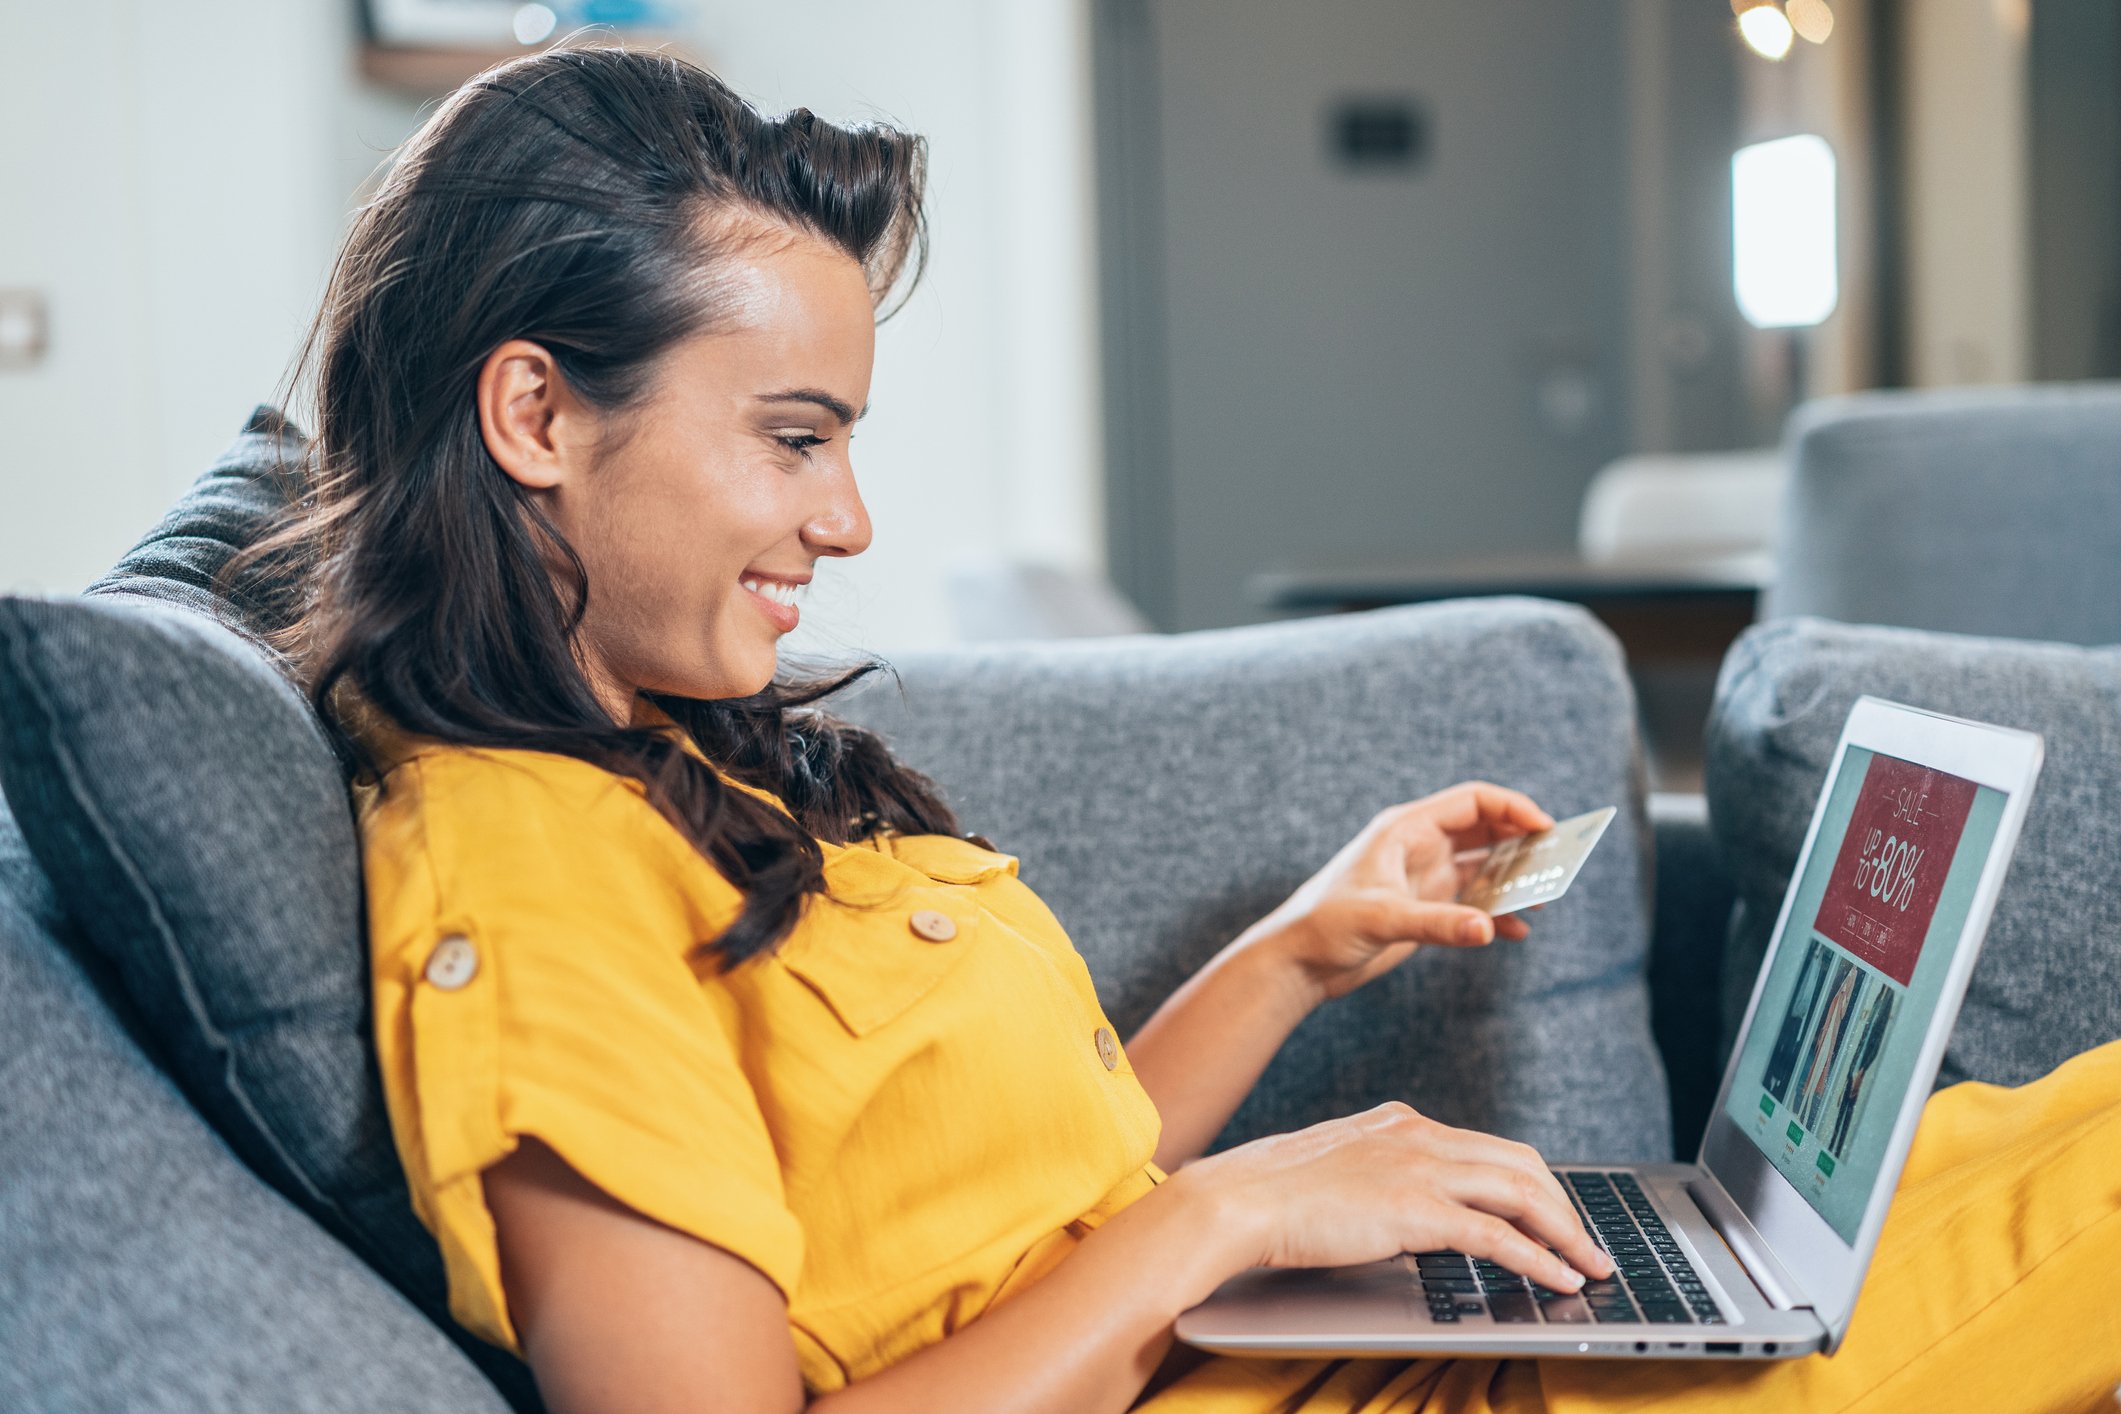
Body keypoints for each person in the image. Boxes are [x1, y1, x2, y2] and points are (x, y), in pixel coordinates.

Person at [245, 43, 2121, 1414]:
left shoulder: (674, 755)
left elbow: (1026, 1192)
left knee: (2037, 1136)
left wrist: (1303, 943)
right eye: (794, 436)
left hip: (1337, 1364)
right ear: (534, 416)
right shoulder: (526, 868)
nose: (847, 519)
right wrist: (1223, 1217)